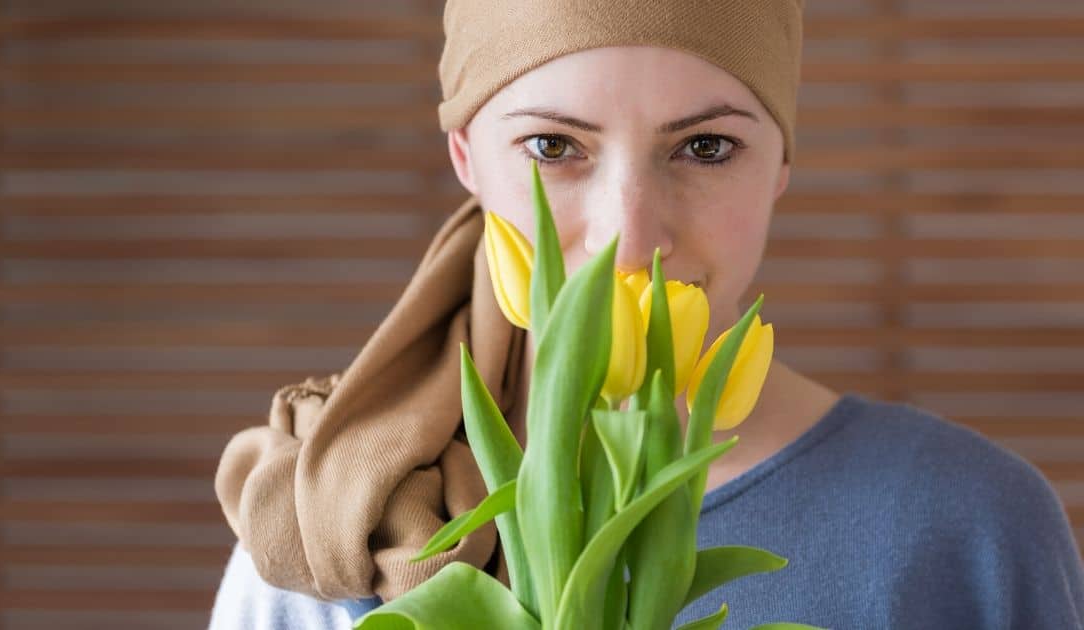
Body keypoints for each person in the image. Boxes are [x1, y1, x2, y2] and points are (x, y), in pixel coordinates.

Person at [206, 1, 1084, 628]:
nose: (631, 237)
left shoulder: (971, 525)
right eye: (554, 146)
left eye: (706, 147)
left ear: (780, 165)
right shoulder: (331, 524)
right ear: (467, 157)